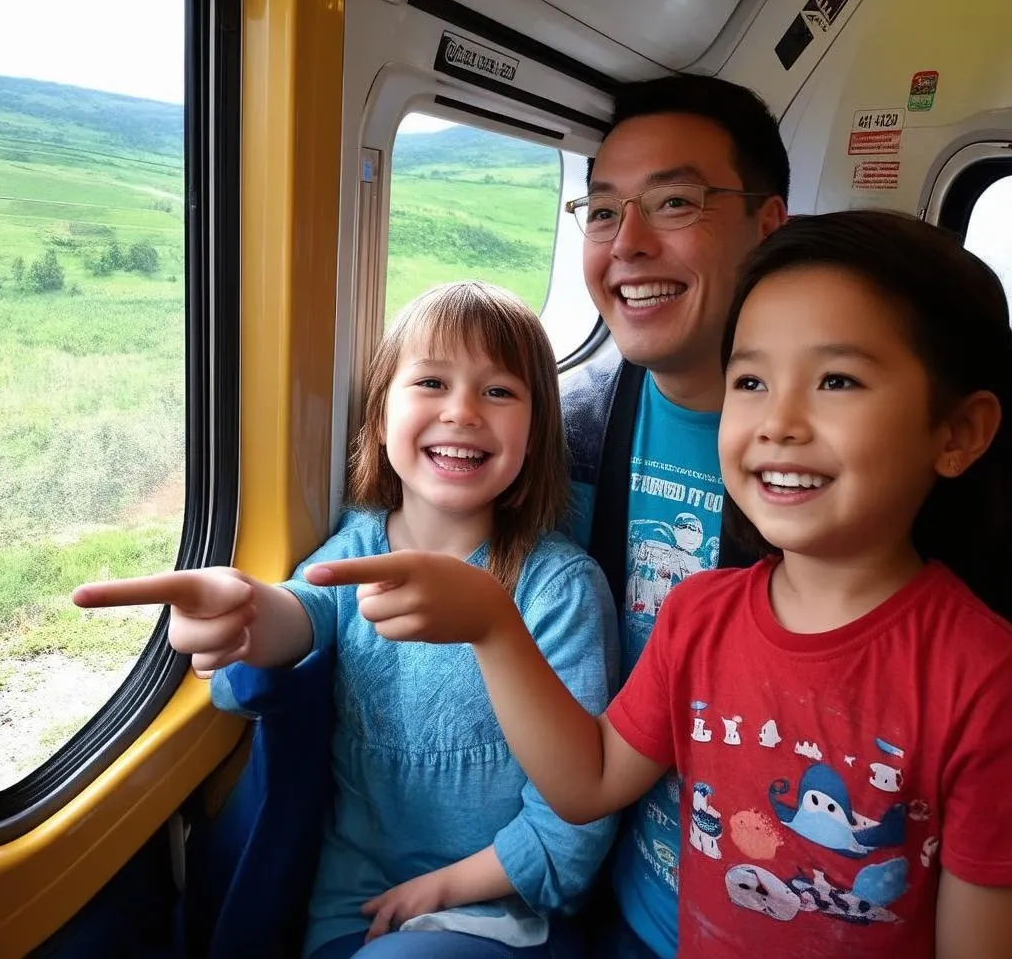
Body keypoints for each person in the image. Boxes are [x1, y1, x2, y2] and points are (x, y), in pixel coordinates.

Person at [313, 212, 1012, 958]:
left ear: (958, 433)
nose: (778, 421)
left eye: (836, 380)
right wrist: (493, 624)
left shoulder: (984, 679)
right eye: (749, 380)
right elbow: (587, 786)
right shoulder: (699, 617)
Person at [73, 282, 619, 959]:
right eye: (430, 382)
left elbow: (574, 826)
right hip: (352, 907)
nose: (462, 412)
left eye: (500, 391)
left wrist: (439, 889)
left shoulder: (559, 591)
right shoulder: (359, 546)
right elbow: (307, 610)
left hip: (502, 911)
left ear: (537, 432)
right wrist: (241, 613)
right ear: (381, 414)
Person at [560, 74, 789, 955]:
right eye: (605, 211)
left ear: (766, 227)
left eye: (675, 202)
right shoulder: (569, 431)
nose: (630, 245)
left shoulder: (834, 460)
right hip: (621, 895)